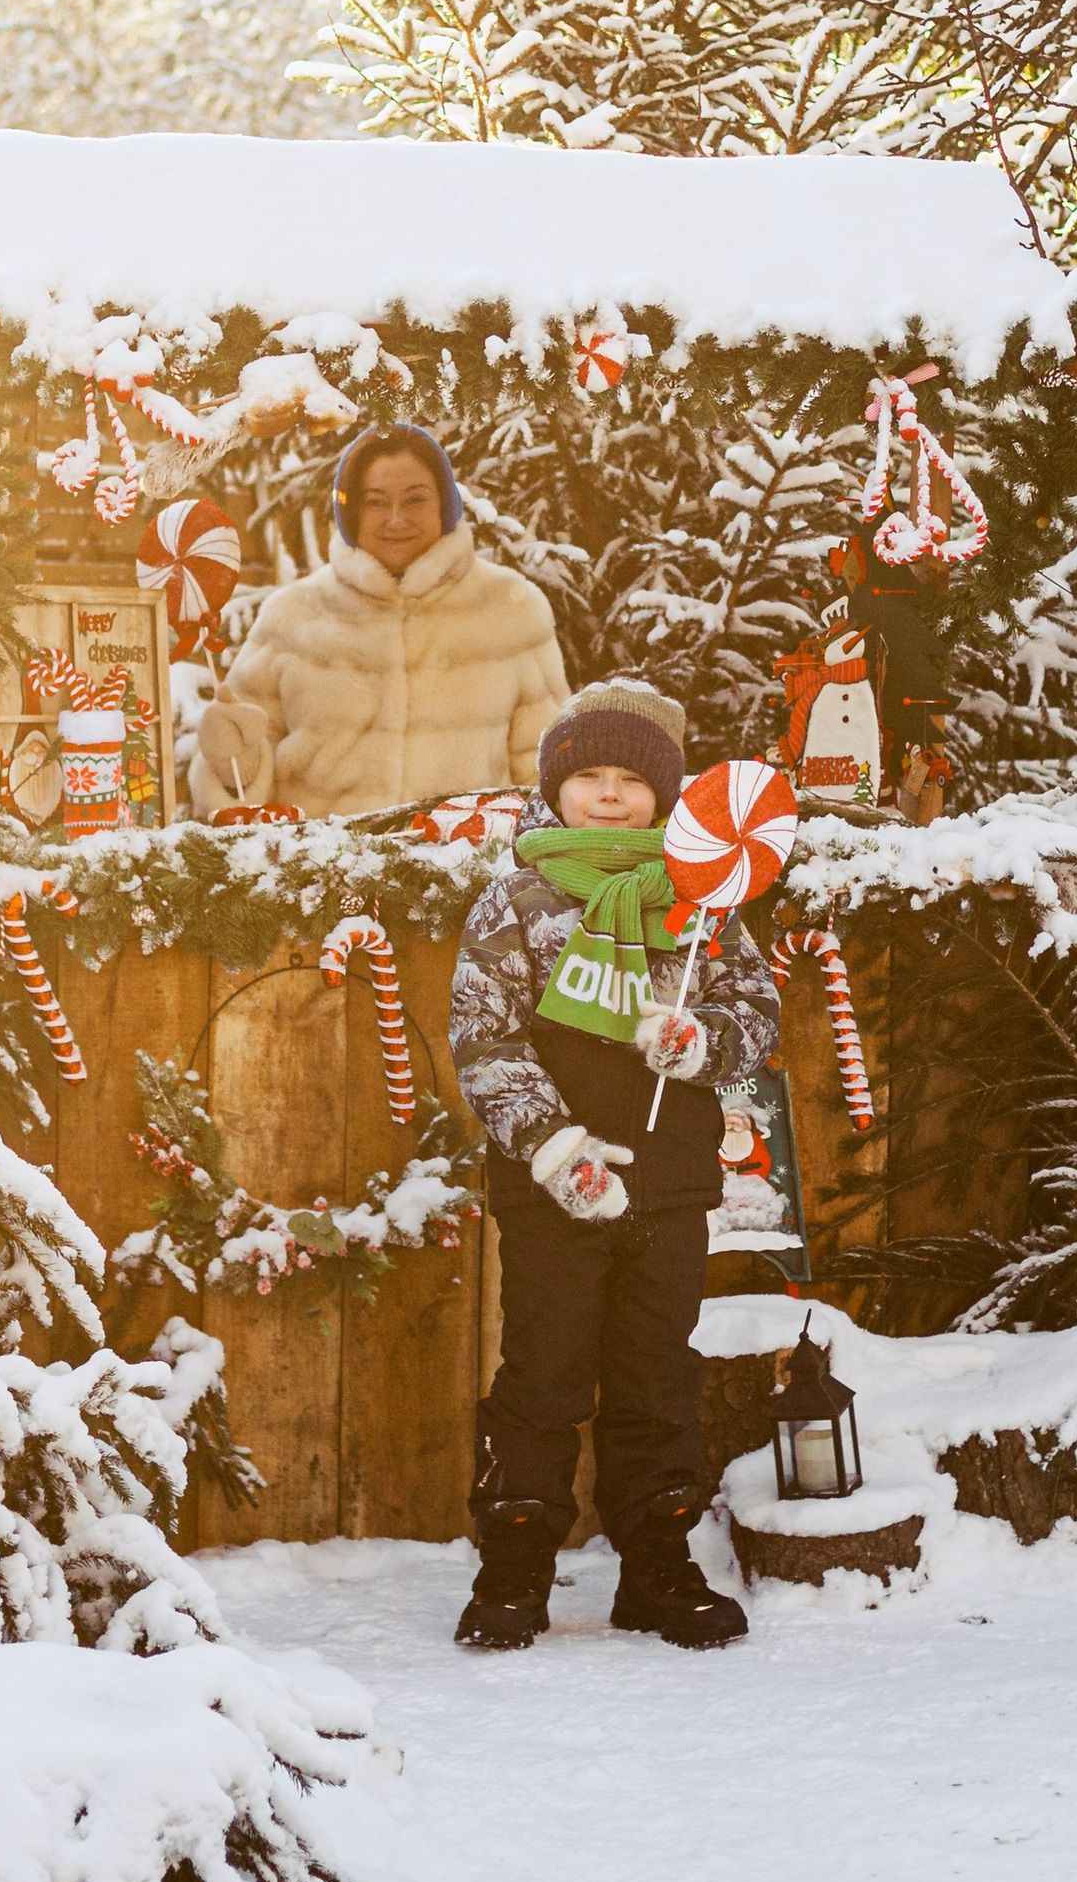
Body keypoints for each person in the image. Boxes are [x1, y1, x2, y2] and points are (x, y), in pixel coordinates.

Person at [447, 678, 779, 1652]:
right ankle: (513, 1565)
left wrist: (701, 1040)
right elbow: (484, 1036)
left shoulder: (702, 901)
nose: (605, 794)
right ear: (554, 789)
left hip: (667, 1184)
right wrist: (552, 1146)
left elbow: (755, 1013)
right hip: (556, 1189)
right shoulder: (516, 903)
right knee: (543, 1375)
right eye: (585, 775)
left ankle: (658, 1563)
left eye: (627, 780)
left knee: (655, 1379)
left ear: (661, 797)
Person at [187, 425, 568, 820]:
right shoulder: (292, 616)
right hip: (321, 872)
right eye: (375, 502)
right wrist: (235, 765)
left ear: (446, 505)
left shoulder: (511, 611)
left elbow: (549, 777)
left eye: (416, 499)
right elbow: (240, 782)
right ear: (350, 512)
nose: (396, 519)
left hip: (464, 872)